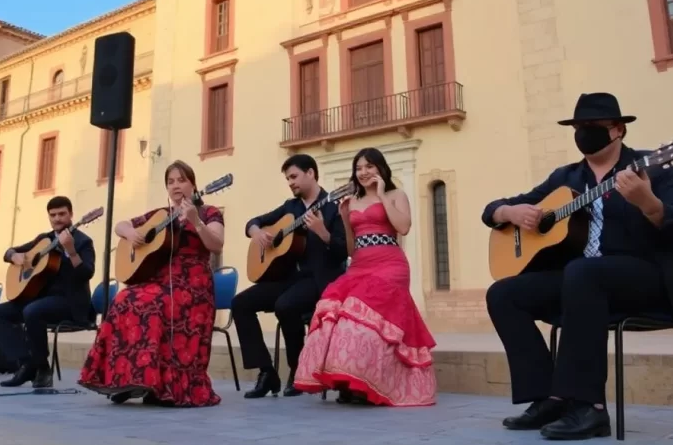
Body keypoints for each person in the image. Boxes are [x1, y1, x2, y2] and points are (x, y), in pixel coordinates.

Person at [483, 92, 673, 440]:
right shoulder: (567, 177)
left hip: (647, 276)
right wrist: (508, 213)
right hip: (583, 284)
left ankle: (589, 407)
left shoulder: (653, 166)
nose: (583, 133)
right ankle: (548, 398)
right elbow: (494, 210)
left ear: (617, 130)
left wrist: (650, 205)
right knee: (504, 294)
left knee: (582, 273)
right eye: (578, 127)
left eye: (592, 127)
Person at [293, 147, 437, 406]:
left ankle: (370, 384)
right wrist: (339, 221)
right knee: (335, 312)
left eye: (369, 166)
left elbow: (403, 227)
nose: (363, 172)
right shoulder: (349, 203)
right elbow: (351, 248)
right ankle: (349, 381)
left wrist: (381, 195)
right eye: (359, 168)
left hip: (390, 265)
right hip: (360, 265)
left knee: (360, 323)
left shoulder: (396, 194)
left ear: (380, 168)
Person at [79, 160, 224, 407]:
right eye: (171, 181)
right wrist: (130, 233)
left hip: (193, 282)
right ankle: (126, 380)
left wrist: (195, 222)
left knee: (153, 303)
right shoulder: (161, 215)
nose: (176, 185)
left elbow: (216, 244)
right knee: (125, 299)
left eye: (182, 180)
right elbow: (120, 225)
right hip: (159, 280)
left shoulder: (208, 212)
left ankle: (158, 384)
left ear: (193, 184)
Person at [233, 153, 348, 398]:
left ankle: (298, 372)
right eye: (288, 179)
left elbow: (342, 251)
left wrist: (322, 232)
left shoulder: (332, 207)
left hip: (318, 280)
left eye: (294, 176)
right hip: (286, 279)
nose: (291, 182)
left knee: (285, 306)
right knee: (240, 303)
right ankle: (267, 372)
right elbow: (254, 222)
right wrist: (256, 232)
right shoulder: (290, 207)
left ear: (311, 173)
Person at [0, 195, 96, 389]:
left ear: (71, 214)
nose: (57, 219)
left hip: (69, 302)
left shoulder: (83, 242)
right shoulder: (44, 239)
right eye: (53, 215)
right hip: (38, 298)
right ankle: (27, 363)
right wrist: (14, 256)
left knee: (32, 311)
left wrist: (71, 251)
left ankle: (42, 368)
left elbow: (86, 273)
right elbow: (8, 252)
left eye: (62, 214)